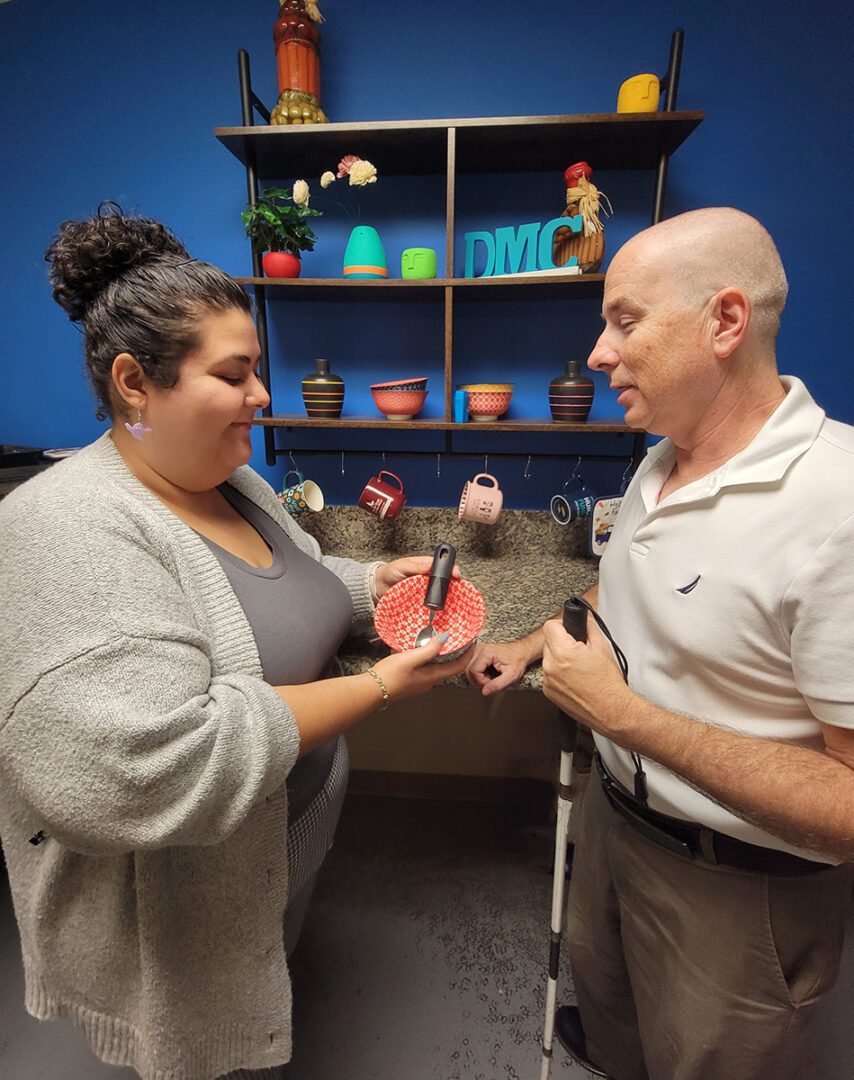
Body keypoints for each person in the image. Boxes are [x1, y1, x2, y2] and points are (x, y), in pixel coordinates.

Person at [0, 206, 471, 1080]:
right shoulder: (62, 529)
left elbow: (277, 580)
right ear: (136, 382)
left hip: (277, 848)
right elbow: (138, 767)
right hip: (182, 902)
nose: (263, 395)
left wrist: (371, 585)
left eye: (258, 369)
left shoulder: (234, 477)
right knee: (202, 1046)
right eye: (235, 373)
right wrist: (377, 691)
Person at [467, 207, 854, 1080]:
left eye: (623, 321)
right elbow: (639, 582)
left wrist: (625, 717)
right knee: (616, 1032)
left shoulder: (839, 508)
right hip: (616, 826)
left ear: (724, 322)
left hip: (738, 891)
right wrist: (534, 642)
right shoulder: (662, 460)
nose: (598, 353)